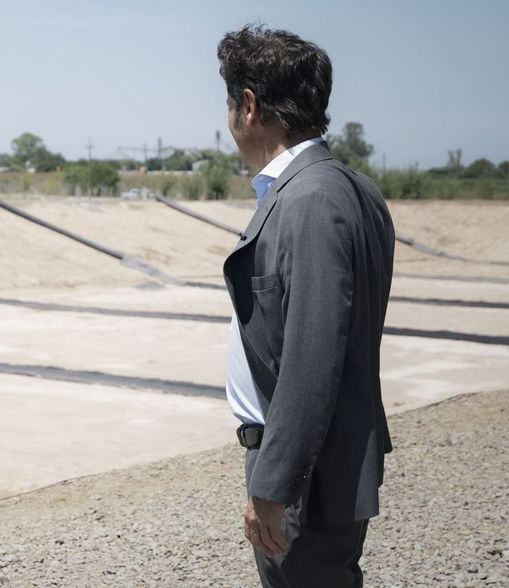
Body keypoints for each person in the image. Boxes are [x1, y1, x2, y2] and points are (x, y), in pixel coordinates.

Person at [218, 25, 396, 587]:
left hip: (305, 476)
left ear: (249, 105)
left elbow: (313, 357)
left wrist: (273, 485)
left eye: (228, 100)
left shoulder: (312, 197)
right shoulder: (346, 185)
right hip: (312, 464)